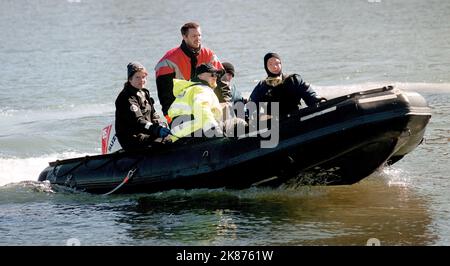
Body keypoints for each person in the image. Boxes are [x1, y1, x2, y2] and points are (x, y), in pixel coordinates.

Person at [154, 22, 223, 123]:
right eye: (194, 36)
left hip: (208, 106)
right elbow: (165, 97)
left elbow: (221, 82)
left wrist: (223, 103)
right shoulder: (168, 61)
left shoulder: (209, 54)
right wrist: (170, 119)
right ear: (184, 37)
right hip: (182, 112)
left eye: (199, 35)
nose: (198, 38)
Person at [249, 52, 325, 119]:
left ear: (281, 64)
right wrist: (260, 116)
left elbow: (310, 96)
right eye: (270, 64)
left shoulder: (294, 80)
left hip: (296, 118)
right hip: (273, 124)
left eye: (277, 63)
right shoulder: (262, 86)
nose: (275, 67)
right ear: (266, 67)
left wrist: (318, 101)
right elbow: (251, 106)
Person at [115, 62, 171, 151]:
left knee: (172, 139)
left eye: (143, 77)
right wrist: (156, 129)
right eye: (137, 77)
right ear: (130, 79)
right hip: (133, 138)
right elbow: (138, 121)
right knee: (165, 142)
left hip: (147, 133)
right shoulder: (126, 97)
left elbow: (154, 114)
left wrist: (161, 124)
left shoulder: (144, 92)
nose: (141, 80)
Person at [167, 63, 225, 142]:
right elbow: (201, 107)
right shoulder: (202, 89)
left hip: (180, 131)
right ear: (200, 76)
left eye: (216, 74)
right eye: (212, 74)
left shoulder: (189, 89)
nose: (215, 77)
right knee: (235, 124)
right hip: (193, 128)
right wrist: (212, 128)